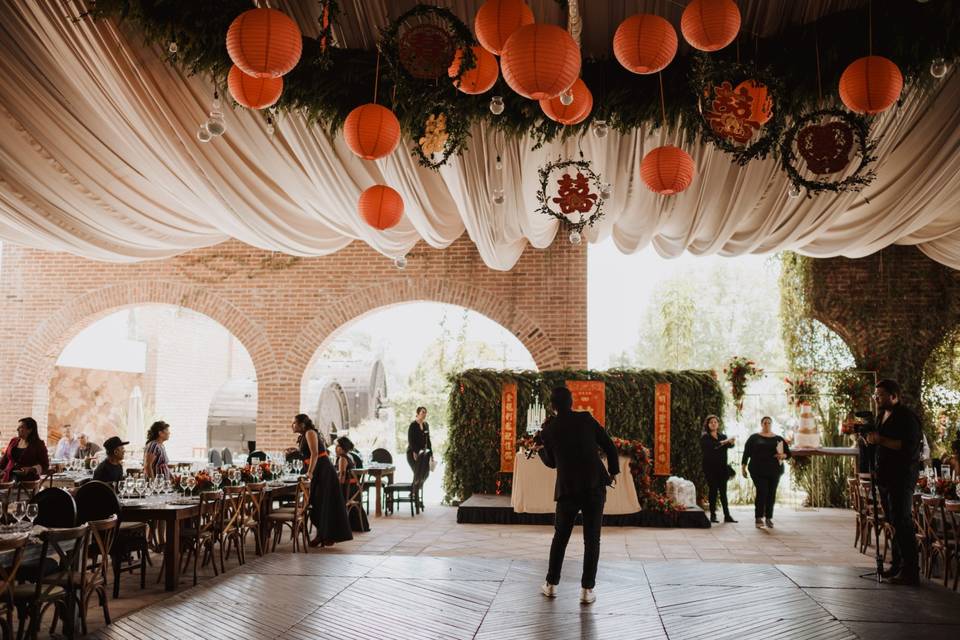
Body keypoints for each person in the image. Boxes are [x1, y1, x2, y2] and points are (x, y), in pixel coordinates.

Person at [537, 386, 619, 605]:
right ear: (571, 402)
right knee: (592, 539)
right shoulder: (585, 419)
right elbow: (609, 445)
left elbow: (552, 462)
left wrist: (540, 450)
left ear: (553, 406)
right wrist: (614, 471)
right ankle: (586, 590)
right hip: (594, 486)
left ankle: (552, 585)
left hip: (568, 489)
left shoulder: (549, 430)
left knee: (560, 537)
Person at [865, 379, 923, 585]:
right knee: (893, 522)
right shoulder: (882, 415)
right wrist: (871, 440)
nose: (877, 398)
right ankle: (897, 565)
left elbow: (909, 446)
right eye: (876, 394)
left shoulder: (907, 417)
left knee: (903, 522)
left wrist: (880, 440)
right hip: (885, 477)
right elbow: (881, 443)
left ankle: (911, 571)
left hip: (902, 476)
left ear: (894, 396)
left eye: (880, 394)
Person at [291, 414, 351, 547]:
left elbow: (315, 453)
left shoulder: (310, 432)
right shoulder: (304, 435)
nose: (292, 426)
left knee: (322, 503)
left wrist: (310, 472)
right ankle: (323, 535)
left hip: (323, 470)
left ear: (302, 424)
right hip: (318, 469)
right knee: (317, 503)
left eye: (294, 423)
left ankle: (324, 536)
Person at [741, 416, 791, 529]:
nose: (767, 424)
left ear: (771, 424)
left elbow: (788, 453)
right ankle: (758, 517)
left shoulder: (778, 438)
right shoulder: (754, 438)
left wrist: (783, 455)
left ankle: (768, 518)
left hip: (775, 470)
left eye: (769, 423)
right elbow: (746, 453)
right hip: (757, 470)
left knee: (771, 493)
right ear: (761, 424)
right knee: (762, 491)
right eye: (765, 422)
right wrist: (743, 467)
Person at [700, 415, 737, 524]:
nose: (713, 424)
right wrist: (725, 442)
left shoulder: (722, 436)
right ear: (707, 424)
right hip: (710, 468)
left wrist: (731, 442)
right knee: (713, 491)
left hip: (722, 468)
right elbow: (713, 446)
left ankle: (727, 515)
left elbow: (730, 446)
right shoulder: (705, 437)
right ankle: (713, 515)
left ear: (718, 424)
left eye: (715, 422)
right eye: (711, 422)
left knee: (723, 492)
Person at [335, 436, 370, 532]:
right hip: (354, 490)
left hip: (347, 491)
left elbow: (342, 478)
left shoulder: (342, 458)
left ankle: (336, 528)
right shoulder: (349, 456)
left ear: (342, 447)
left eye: (337, 446)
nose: (335, 448)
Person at [0, 417, 50, 482]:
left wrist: (31, 469)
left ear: (30, 430)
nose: (17, 429)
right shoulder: (13, 441)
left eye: (21, 427)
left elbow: (45, 465)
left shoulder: (38, 444)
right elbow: (4, 460)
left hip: (28, 482)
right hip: (8, 479)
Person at [407, 407, 432, 487]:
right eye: (422, 412)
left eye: (425, 412)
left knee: (425, 473)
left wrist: (431, 454)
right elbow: (411, 441)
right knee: (417, 473)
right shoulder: (413, 425)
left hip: (424, 454)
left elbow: (428, 441)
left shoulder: (426, 425)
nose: (424, 414)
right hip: (412, 453)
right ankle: (414, 493)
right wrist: (416, 452)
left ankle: (415, 490)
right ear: (417, 414)